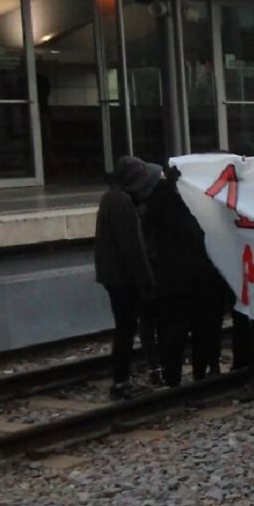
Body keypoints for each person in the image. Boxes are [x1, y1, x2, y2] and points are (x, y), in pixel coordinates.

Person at [140, 163, 229, 388]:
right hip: (194, 279)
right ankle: (193, 374)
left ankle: (175, 378)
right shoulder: (191, 207)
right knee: (195, 330)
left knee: (177, 332)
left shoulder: (162, 206)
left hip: (178, 281)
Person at [93, 156, 161, 400]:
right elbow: (132, 247)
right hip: (123, 279)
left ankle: (123, 378)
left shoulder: (111, 197)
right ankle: (121, 380)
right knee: (126, 329)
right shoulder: (122, 202)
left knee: (124, 328)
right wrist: (146, 280)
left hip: (113, 276)